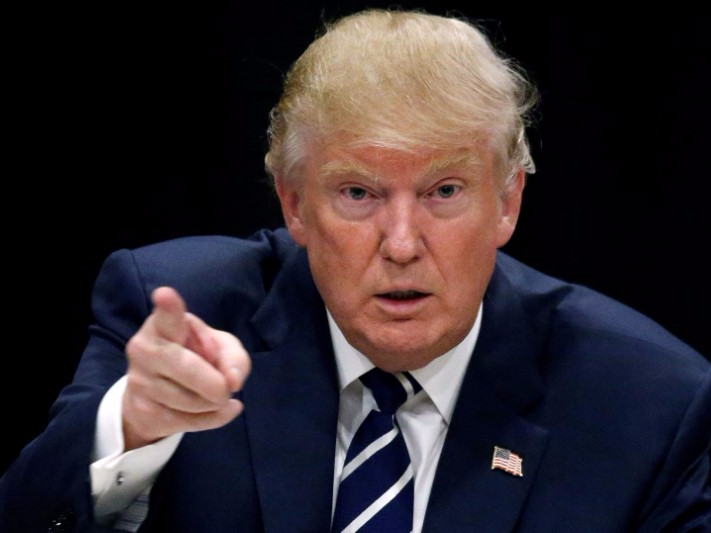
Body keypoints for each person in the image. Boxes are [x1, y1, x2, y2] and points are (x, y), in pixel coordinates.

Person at [1, 7, 709, 532]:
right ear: (294, 205)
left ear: (507, 201)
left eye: (444, 191)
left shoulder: (646, 403)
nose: (401, 243)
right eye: (358, 193)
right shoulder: (189, 316)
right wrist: (133, 425)